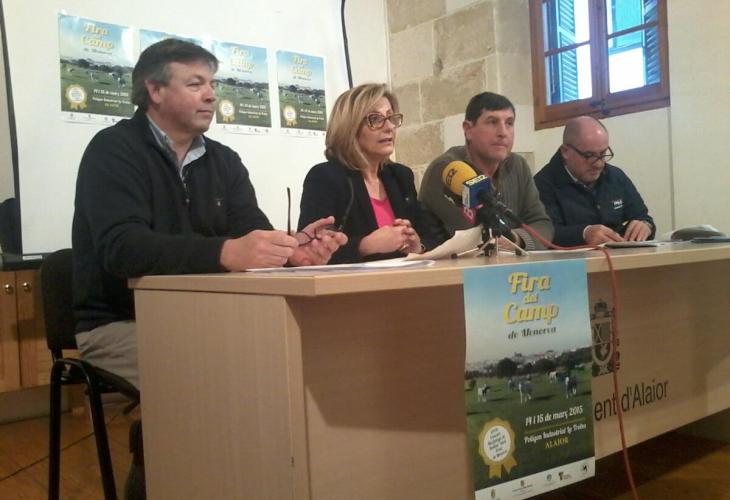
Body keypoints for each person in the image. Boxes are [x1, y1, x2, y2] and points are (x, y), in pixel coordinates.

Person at [72, 39, 345, 499]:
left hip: (208, 317)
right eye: (195, 83)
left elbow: (252, 235)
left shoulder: (223, 160)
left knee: (285, 362)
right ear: (154, 90)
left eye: (212, 83)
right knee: (222, 375)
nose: (211, 95)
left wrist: (291, 252)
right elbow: (123, 250)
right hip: (118, 321)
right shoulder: (113, 150)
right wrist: (225, 253)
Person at [298, 83, 444, 263]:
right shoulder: (325, 178)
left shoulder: (400, 176)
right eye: (375, 119)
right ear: (350, 128)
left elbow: (434, 238)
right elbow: (310, 251)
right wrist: (364, 246)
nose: (389, 127)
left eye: (391, 118)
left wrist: (418, 246)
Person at [419, 92, 553, 250]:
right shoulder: (447, 170)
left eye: (509, 123)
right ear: (468, 130)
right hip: (455, 263)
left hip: (509, 262)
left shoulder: (518, 166)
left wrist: (517, 239)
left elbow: (543, 225)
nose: (503, 132)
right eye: (492, 122)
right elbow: (471, 237)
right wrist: (502, 241)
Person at [534, 116, 655, 246]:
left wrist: (645, 225)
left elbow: (642, 216)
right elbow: (545, 234)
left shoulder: (615, 176)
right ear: (565, 152)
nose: (598, 164)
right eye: (589, 156)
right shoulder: (541, 185)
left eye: (603, 154)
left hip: (623, 256)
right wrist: (584, 234)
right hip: (575, 258)